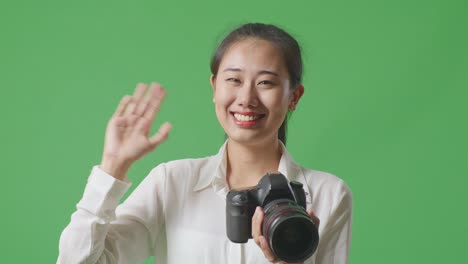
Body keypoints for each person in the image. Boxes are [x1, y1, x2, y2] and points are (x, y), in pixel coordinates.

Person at [57, 23, 352, 264]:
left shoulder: (328, 194)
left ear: (294, 97)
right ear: (214, 87)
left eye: (266, 83)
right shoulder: (171, 182)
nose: (246, 99)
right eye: (234, 80)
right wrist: (113, 167)